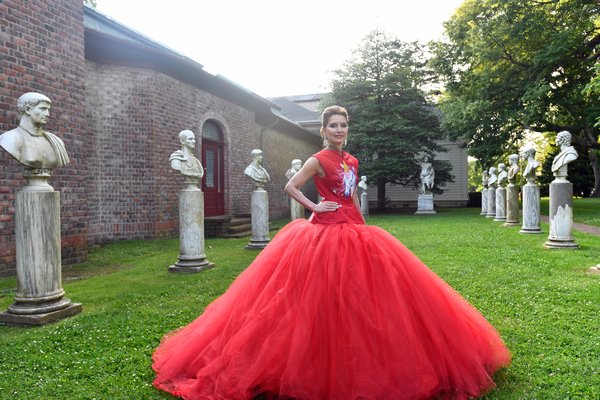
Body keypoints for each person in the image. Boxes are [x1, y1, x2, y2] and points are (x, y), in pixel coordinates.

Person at [152, 106, 510, 399]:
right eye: (333, 126)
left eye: (343, 125)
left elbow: (351, 195)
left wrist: (359, 219)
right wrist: (315, 206)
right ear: (323, 130)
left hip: (354, 229)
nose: (339, 130)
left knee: (366, 297)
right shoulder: (318, 158)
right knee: (313, 297)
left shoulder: (352, 161)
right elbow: (291, 186)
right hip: (323, 233)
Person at [0, 92, 69, 169]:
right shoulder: (10, 138)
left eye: (48, 109)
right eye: (43, 109)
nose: (47, 114)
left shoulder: (56, 141)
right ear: (28, 110)